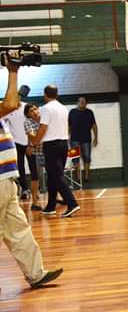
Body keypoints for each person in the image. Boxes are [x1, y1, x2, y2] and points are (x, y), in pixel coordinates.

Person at [0, 60, 63, 290]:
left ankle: (35, 274)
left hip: (7, 181)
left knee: (20, 231)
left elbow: (11, 105)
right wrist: (13, 72)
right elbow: (11, 103)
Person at [31, 85, 80, 218]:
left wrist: (35, 140)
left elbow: (43, 127)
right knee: (53, 176)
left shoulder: (46, 108)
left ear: (45, 95)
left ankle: (72, 203)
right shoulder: (63, 108)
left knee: (57, 176)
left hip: (51, 145)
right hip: (64, 144)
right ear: (57, 94)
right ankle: (50, 206)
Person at [1, 94, 29, 199]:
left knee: (34, 167)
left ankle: (37, 190)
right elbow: (4, 119)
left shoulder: (27, 107)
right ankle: (25, 189)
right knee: (20, 167)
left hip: (29, 142)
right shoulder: (8, 109)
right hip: (17, 142)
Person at [68, 97, 97, 183]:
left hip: (86, 138)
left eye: (84, 101)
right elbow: (68, 125)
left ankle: (87, 177)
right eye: (81, 101)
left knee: (87, 157)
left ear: (86, 103)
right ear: (77, 102)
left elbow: (94, 125)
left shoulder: (89, 112)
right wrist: (66, 137)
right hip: (74, 139)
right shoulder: (72, 112)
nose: (82, 103)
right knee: (75, 158)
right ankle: (78, 177)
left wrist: (96, 137)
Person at [22, 104, 43, 211]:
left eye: (35, 109)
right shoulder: (27, 122)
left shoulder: (44, 119)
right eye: (31, 111)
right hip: (34, 152)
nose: (34, 111)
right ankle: (34, 202)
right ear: (27, 114)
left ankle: (56, 198)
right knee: (35, 177)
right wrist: (32, 144)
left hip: (47, 151)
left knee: (54, 175)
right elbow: (33, 137)